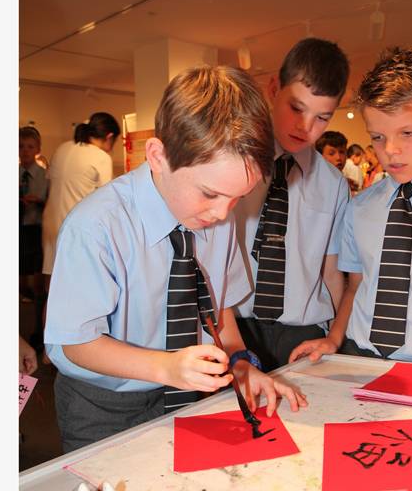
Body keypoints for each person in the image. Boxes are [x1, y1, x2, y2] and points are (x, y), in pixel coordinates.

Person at [44, 65, 307, 453]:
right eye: (210, 194)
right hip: (103, 404)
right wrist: (165, 367)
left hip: (185, 389)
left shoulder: (218, 217)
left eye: (237, 197)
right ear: (158, 156)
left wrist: (240, 364)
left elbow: (218, 308)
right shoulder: (96, 227)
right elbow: (76, 343)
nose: (222, 212)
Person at [290, 45, 412, 368]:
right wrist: (334, 338)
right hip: (361, 357)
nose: (391, 150)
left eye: (407, 133)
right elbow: (356, 286)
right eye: (377, 137)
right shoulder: (361, 206)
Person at [232, 37, 351, 373]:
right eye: (297, 109)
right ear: (274, 89)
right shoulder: (233, 162)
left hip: (303, 332)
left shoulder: (333, 184)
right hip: (236, 326)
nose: (305, 127)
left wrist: (340, 338)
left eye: (322, 118)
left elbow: (331, 272)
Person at [41, 112, 120, 290]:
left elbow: (51, 185)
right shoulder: (101, 157)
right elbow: (108, 199)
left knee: (52, 284)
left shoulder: (62, 148)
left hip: (51, 223)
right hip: (78, 228)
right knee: (76, 287)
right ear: (109, 137)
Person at [19, 126, 49, 348]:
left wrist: (39, 202)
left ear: (37, 149)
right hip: (18, 232)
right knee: (21, 286)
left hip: (38, 232)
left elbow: (51, 203)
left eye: (30, 146)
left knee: (39, 285)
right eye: (21, 146)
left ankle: (39, 333)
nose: (25, 150)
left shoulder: (46, 177)